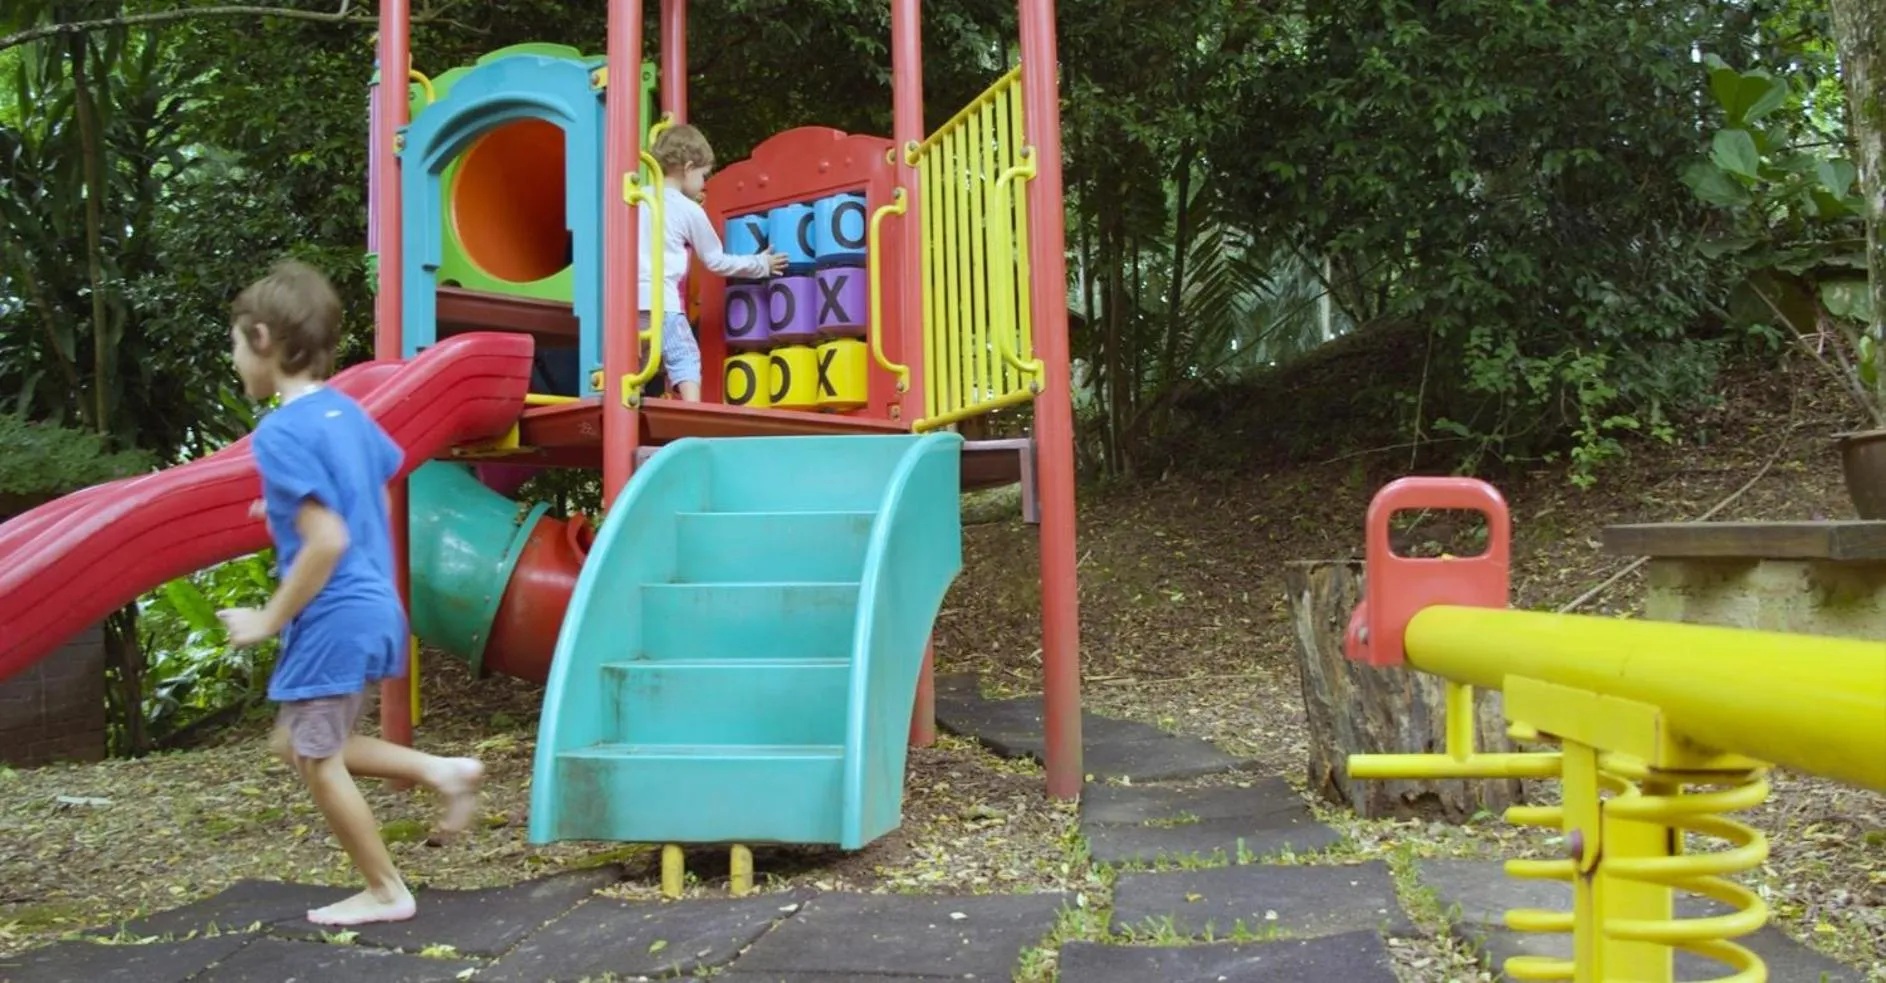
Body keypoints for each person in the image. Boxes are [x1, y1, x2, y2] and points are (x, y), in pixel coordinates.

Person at [217, 259, 484, 927]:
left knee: (315, 757)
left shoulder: (279, 430)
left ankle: (386, 888)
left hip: (332, 610)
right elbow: (376, 489)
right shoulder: (349, 413)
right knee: (298, 743)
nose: (233, 359)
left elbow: (327, 538)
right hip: (374, 604)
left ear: (260, 337)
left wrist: (265, 618)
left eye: (232, 344)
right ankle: (441, 771)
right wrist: (278, 511)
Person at [639, 123, 788, 401]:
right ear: (689, 167)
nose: (704, 183)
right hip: (663, 303)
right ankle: (692, 408)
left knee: (637, 361)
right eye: (703, 175)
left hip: (629, 304)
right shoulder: (688, 209)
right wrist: (761, 264)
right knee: (684, 356)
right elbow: (716, 261)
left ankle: (626, 407)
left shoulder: (637, 198)